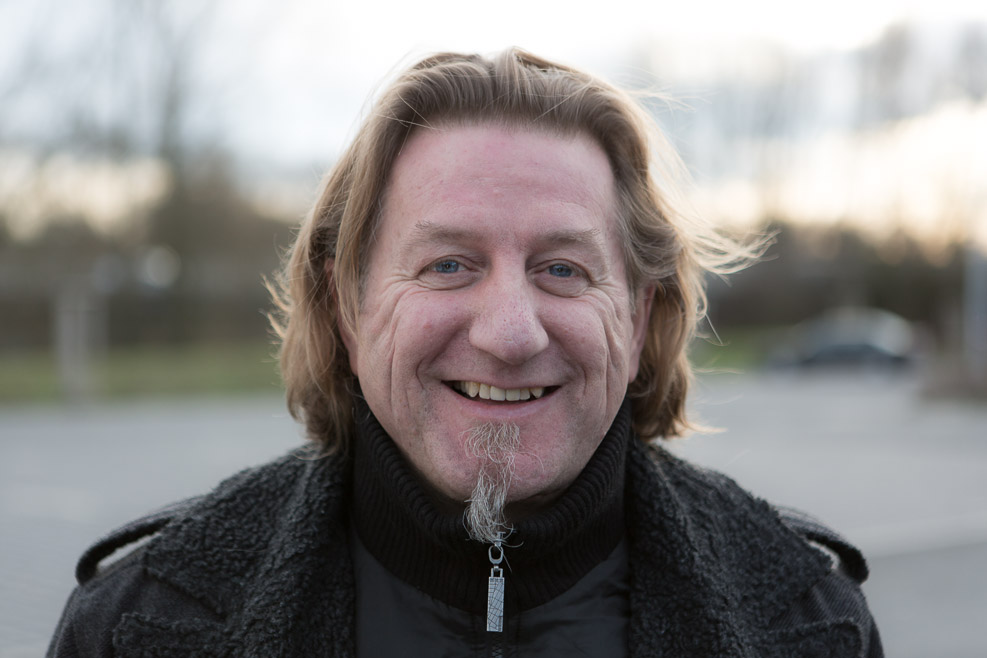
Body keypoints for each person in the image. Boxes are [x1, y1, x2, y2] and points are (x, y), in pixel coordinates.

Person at [48, 48, 882, 657]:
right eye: (448, 265)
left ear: (636, 322)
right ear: (347, 309)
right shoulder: (138, 625)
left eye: (562, 269)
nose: (509, 333)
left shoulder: (808, 621)